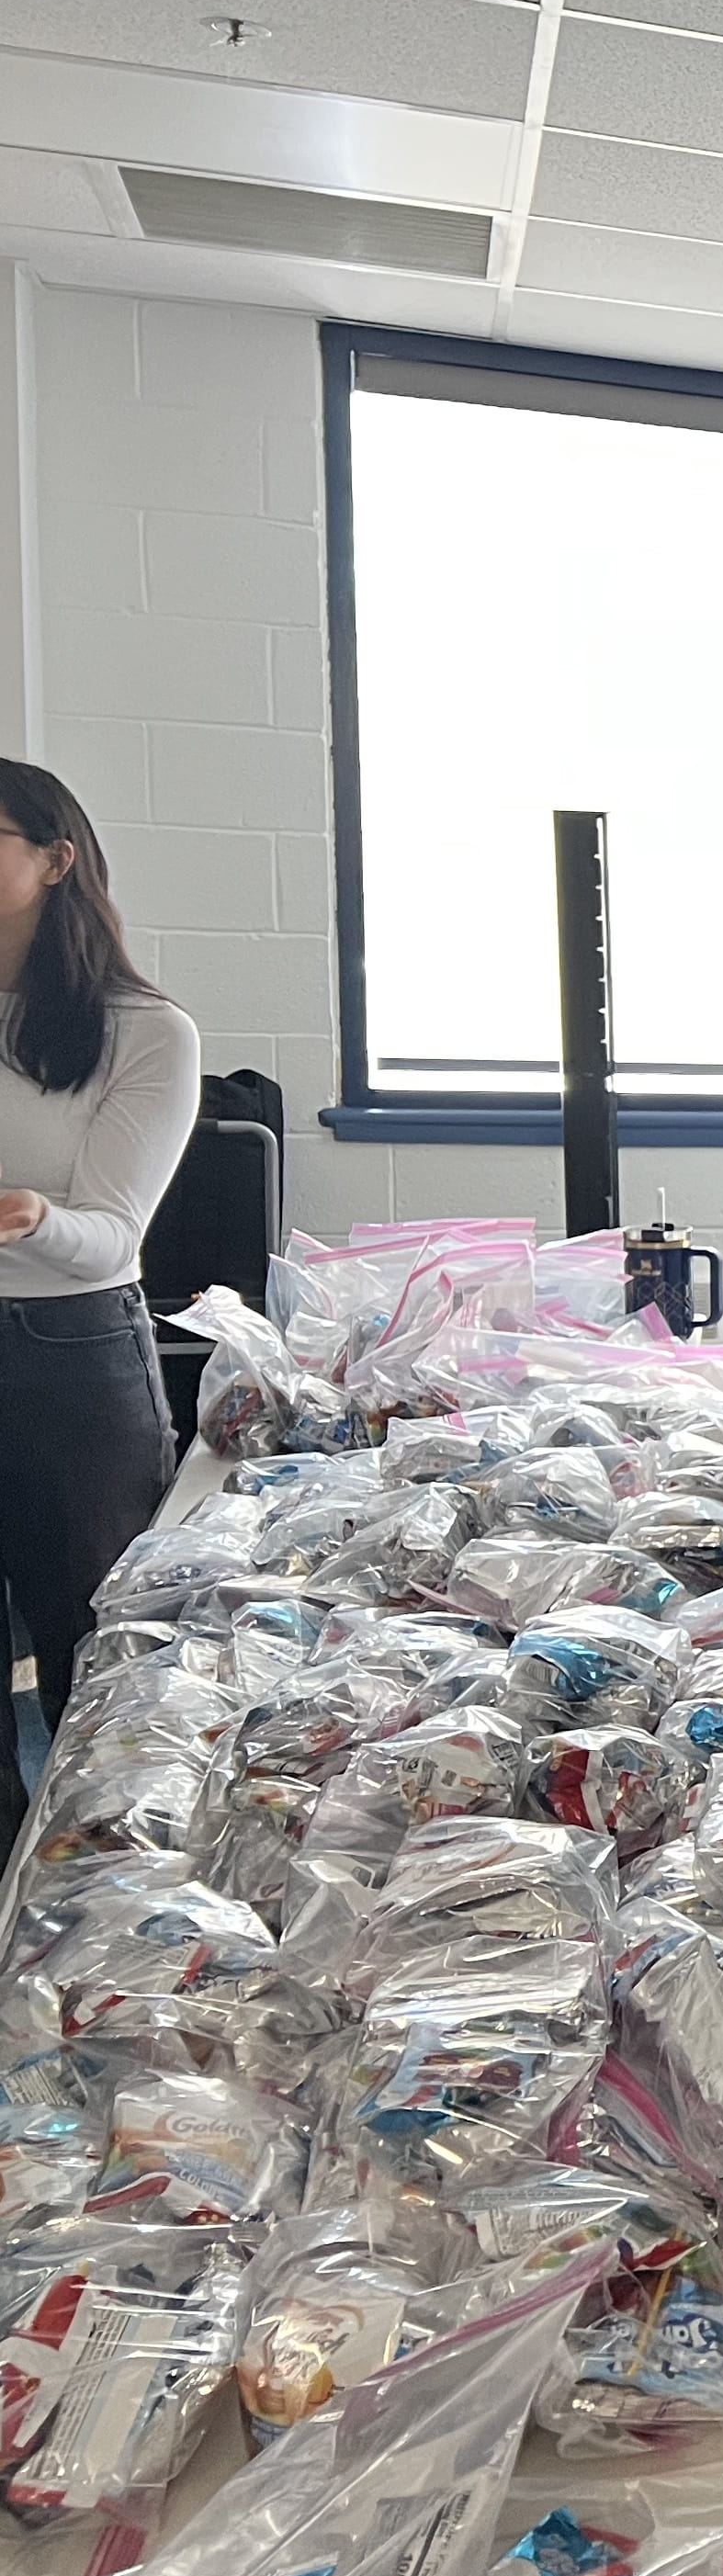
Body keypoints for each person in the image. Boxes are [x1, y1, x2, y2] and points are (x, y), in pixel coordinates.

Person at [0, 759, 201, 1848]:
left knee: (96, 1655)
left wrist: (31, 1216)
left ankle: (96, 1909)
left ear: (55, 860)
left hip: (69, 1359)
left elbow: (111, 1240)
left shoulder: (146, 1031)